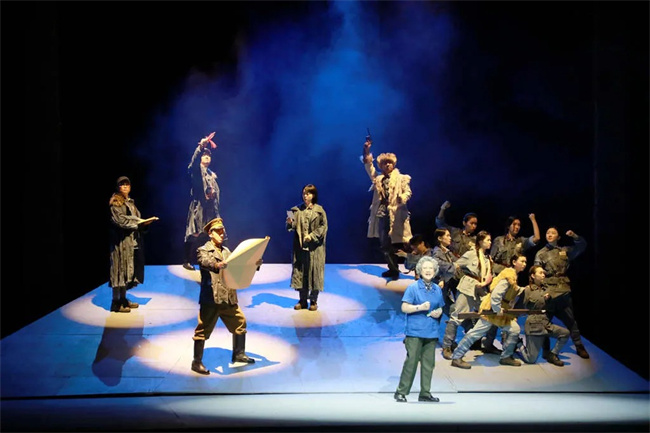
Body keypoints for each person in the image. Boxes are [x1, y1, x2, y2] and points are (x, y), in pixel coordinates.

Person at [191, 217, 262, 375]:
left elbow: (239, 267)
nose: (222, 234)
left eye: (223, 231)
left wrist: (254, 265)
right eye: (218, 232)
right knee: (202, 330)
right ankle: (196, 362)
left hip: (228, 296)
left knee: (240, 323)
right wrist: (217, 265)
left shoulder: (227, 251)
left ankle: (238, 354)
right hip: (212, 297)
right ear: (211, 234)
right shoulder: (203, 250)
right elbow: (204, 262)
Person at [450, 253, 528, 369]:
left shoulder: (512, 275)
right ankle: (457, 356)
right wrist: (497, 309)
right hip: (492, 309)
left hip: (499, 309)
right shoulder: (508, 275)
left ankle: (506, 356)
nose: (524, 264)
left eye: (525, 262)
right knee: (475, 333)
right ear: (514, 262)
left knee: (514, 329)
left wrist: (523, 289)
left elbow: (511, 290)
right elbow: (496, 295)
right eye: (522, 261)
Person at [361, 135, 412, 280]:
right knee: (385, 244)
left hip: (398, 214)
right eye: (385, 163)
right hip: (383, 214)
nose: (387, 165)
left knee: (405, 243)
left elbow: (408, 192)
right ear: (381, 166)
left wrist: (402, 198)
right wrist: (366, 150)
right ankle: (393, 269)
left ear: (394, 164)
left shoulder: (402, 178)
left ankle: (416, 268)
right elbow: (368, 166)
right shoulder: (378, 178)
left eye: (390, 163)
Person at [441, 230, 499, 359]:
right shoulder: (471, 254)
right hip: (468, 287)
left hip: (482, 289)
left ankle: (488, 343)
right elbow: (456, 265)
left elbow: (489, 275)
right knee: (457, 315)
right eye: (488, 240)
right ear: (480, 241)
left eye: (490, 240)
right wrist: (443, 279)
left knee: (491, 314)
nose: (490, 242)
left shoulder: (487, 258)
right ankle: (447, 346)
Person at [394, 256, 445, 403]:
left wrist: (439, 312)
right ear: (420, 271)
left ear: (435, 271)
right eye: (425, 268)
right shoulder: (413, 288)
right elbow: (404, 307)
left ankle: (425, 393)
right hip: (415, 331)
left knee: (429, 364)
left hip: (431, 331)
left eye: (431, 268)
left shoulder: (437, 289)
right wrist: (419, 307)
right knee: (411, 362)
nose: (428, 271)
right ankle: (401, 392)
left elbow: (440, 306)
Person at [534, 226, 589, 359]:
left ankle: (579, 345)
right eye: (547, 232)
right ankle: (546, 348)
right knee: (544, 321)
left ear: (558, 237)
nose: (549, 234)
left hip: (563, 290)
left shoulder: (565, 251)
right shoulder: (541, 253)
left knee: (570, 320)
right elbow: (536, 273)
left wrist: (574, 236)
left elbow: (581, 246)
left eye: (553, 233)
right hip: (549, 291)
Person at [108, 176, 159, 313]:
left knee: (126, 271)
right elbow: (121, 221)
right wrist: (138, 223)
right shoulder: (115, 203)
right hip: (120, 243)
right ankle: (115, 302)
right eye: (122, 184)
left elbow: (136, 219)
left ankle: (123, 299)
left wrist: (144, 224)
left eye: (127, 184)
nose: (125, 186)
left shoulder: (130, 203)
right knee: (119, 271)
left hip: (131, 242)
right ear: (118, 187)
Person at [516, 265, 569, 367]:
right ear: (533, 276)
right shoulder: (528, 290)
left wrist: (551, 296)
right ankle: (518, 343)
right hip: (534, 325)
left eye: (544, 273)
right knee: (530, 359)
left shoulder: (548, 289)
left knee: (565, 333)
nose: (543, 275)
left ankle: (552, 354)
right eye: (540, 273)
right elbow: (522, 305)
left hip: (546, 323)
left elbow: (566, 290)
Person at [286, 184, 328, 311]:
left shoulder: (319, 211)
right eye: (304, 193)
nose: (305, 196)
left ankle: (313, 301)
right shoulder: (295, 210)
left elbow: (323, 227)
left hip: (315, 248)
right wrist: (290, 222)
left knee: (314, 272)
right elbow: (290, 227)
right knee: (301, 272)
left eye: (308, 193)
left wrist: (312, 236)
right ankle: (302, 300)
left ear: (313, 195)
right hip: (300, 247)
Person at [183, 132, 221, 271]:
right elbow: (193, 164)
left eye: (208, 155)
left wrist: (213, 197)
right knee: (195, 234)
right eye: (204, 155)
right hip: (199, 208)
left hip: (211, 210)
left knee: (214, 234)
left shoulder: (211, 174)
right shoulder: (197, 171)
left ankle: (212, 261)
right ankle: (187, 260)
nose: (206, 156)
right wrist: (200, 148)